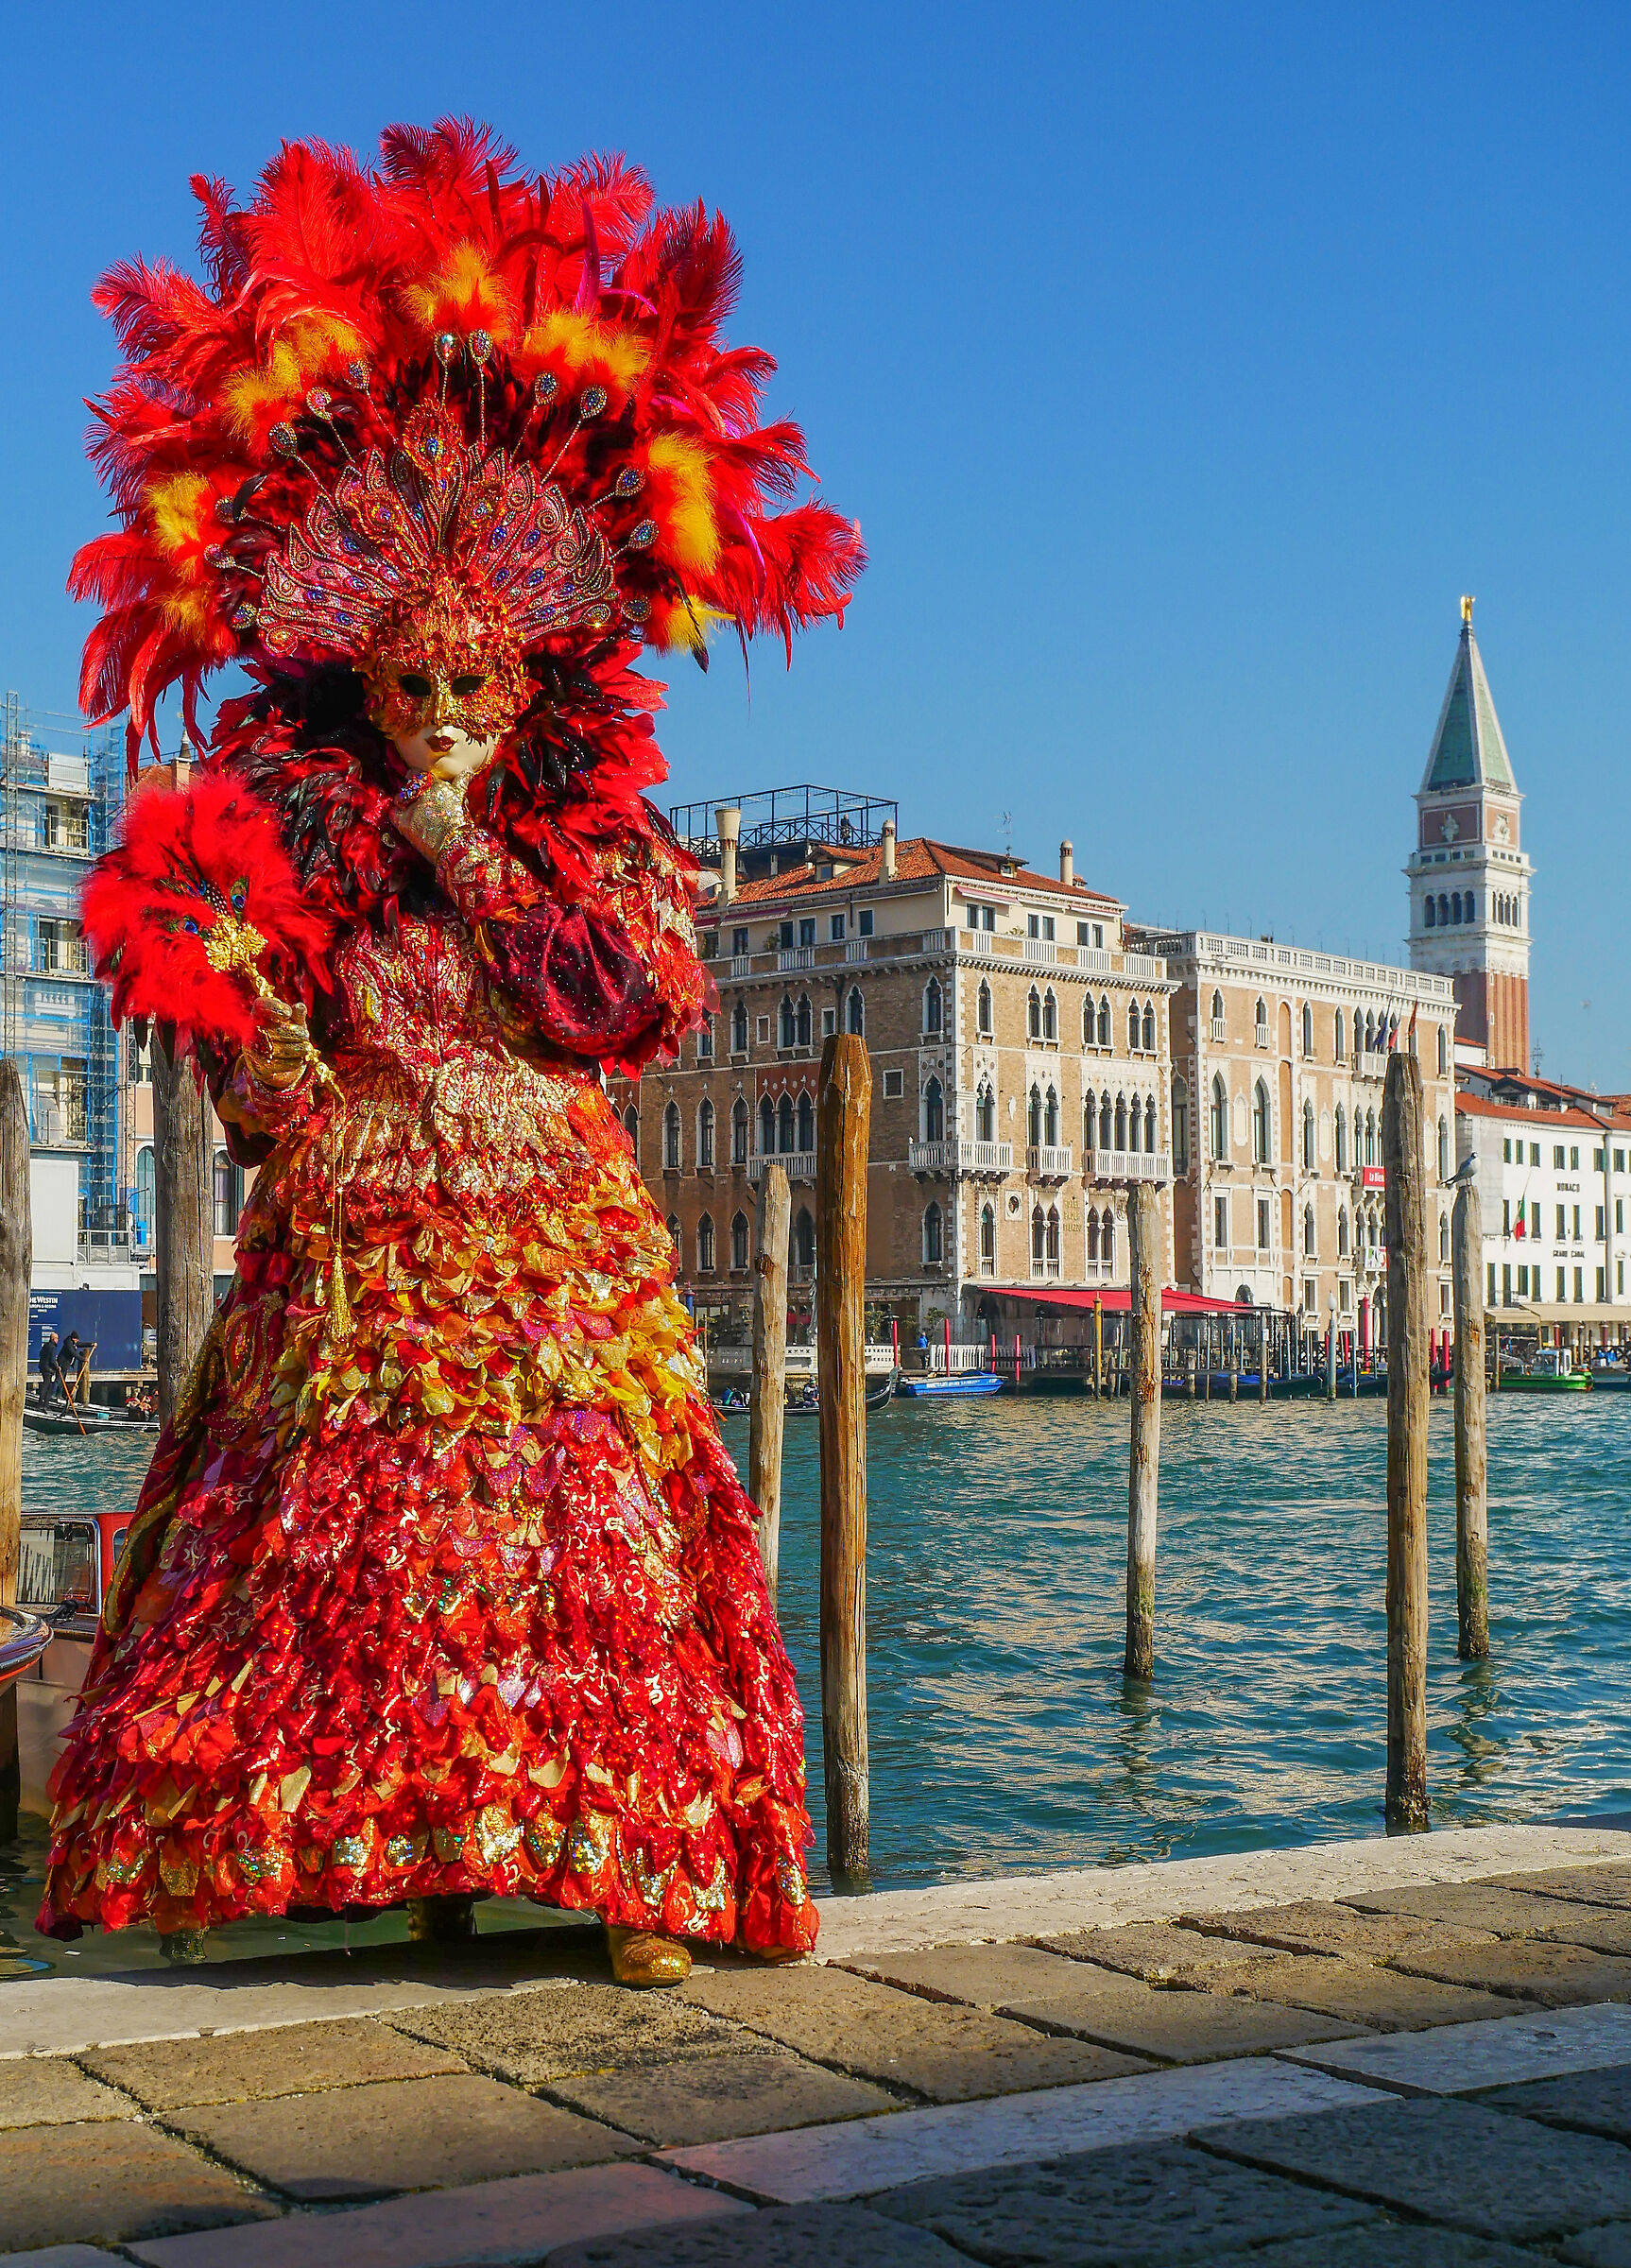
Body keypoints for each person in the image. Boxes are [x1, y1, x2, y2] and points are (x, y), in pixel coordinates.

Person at [41, 124, 862, 1984]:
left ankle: (626, 1870)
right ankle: (412, 1860)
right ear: (350, 671)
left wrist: (465, 848)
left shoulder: (596, 839)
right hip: (360, 1246)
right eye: (403, 684)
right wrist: (267, 1060)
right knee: (374, 1547)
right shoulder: (299, 828)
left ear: (530, 679)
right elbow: (237, 1025)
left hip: (552, 1247)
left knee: (586, 1531)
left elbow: (619, 1004)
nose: (435, 713)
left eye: (468, 686)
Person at [36, 1330, 62, 1408]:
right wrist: (57, 1368)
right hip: (48, 1369)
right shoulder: (53, 1347)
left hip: (43, 1367)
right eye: (57, 1339)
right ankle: (44, 1404)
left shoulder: (45, 1345)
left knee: (46, 1384)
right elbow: (52, 1360)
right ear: (53, 1339)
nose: (57, 1340)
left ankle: (43, 1403)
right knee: (47, 1386)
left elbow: (41, 1354)